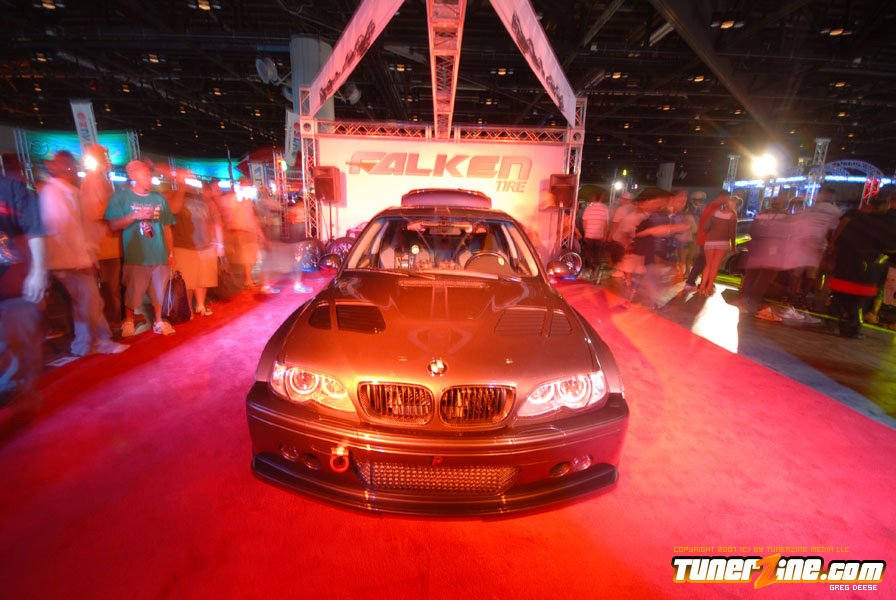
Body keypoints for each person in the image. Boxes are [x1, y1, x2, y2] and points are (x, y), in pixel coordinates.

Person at [39, 152, 127, 356]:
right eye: (66, 165)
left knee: (84, 303)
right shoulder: (53, 192)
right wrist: (82, 259)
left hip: (71, 260)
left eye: (71, 164)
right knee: (90, 302)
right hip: (69, 261)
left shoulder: (66, 190)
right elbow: (62, 228)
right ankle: (99, 341)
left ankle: (84, 344)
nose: (71, 169)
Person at [105, 160, 177, 337]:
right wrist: (135, 216)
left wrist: (171, 252)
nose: (149, 177)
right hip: (136, 255)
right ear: (133, 176)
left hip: (159, 254)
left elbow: (167, 226)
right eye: (145, 174)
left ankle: (158, 320)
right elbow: (113, 225)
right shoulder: (121, 197)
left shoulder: (159, 199)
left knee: (159, 291)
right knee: (133, 291)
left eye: (150, 174)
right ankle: (128, 321)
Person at [0, 175, 47, 407]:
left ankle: (19, 393)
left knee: (18, 340)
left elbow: (35, 229)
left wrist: (38, 270)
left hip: (13, 279)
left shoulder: (11, 188)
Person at [79, 145, 123, 329]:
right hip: (104, 242)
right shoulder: (95, 180)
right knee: (110, 284)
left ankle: (115, 316)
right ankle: (114, 319)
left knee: (111, 284)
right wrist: (122, 215)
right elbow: (98, 211)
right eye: (106, 156)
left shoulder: (97, 179)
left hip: (104, 242)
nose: (109, 161)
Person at [167, 176, 223, 316]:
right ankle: (188, 309)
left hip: (205, 245)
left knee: (203, 279)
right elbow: (172, 211)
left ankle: (200, 305)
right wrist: (181, 189)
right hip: (185, 245)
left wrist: (217, 242)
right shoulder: (177, 197)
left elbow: (214, 222)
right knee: (188, 281)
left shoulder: (205, 202)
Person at [218, 181, 267, 288]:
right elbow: (226, 217)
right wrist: (227, 233)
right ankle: (240, 280)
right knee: (242, 258)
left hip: (248, 231)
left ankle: (247, 280)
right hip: (238, 232)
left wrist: (260, 233)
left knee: (249, 258)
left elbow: (252, 217)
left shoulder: (248, 200)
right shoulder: (231, 200)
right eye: (246, 187)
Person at [698, 192, 739, 296]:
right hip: (723, 243)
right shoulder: (733, 216)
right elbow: (732, 233)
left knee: (708, 265)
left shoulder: (715, 212)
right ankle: (709, 288)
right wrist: (733, 248)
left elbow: (705, 227)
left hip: (710, 242)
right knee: (715, 266)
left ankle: (702, 287)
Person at [683, 191, 724, 291]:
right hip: (704, 237)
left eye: (699, 200)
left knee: (700, 259)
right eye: (696, 200)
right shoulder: (707, 209)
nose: (697, 202)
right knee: (704, 260)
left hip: (698, 237)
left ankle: (696, 281)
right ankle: (703, 282)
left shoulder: (691, 209)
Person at [580, 192, 609, 280]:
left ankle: (588, 268)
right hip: (599, 235)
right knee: (597, 253)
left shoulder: (589, 208)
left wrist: (585, 232)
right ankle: (596, 270)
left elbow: (584, 221)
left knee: (588, 252)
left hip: (589, 234)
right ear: (601, 199)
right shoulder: (604, 208)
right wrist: (605, 234)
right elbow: (606, 223)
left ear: (593, 198)